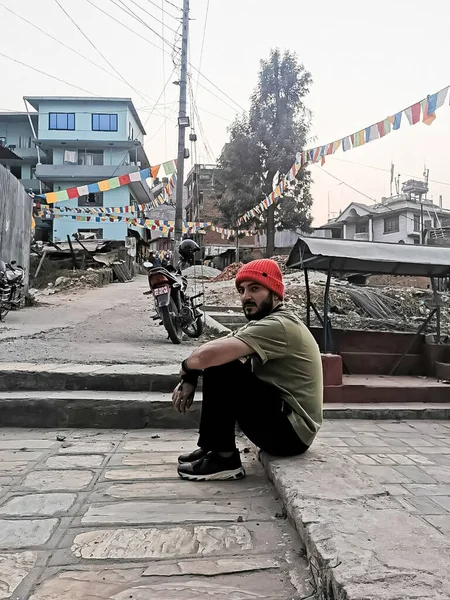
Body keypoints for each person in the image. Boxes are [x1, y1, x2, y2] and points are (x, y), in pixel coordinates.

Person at [172, 258, 323, 481]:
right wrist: (193, 373)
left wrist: (188, 370)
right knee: (223, 361)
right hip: (286, 425)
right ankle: (213, 448)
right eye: (241, 290)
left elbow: (207, 356)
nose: (246, 297)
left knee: (221, 366)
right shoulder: (267, 322)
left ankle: (225, 460)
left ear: (275, 294)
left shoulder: (277, 325)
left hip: (291, 434)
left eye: (255, 289)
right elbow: (217, 347)